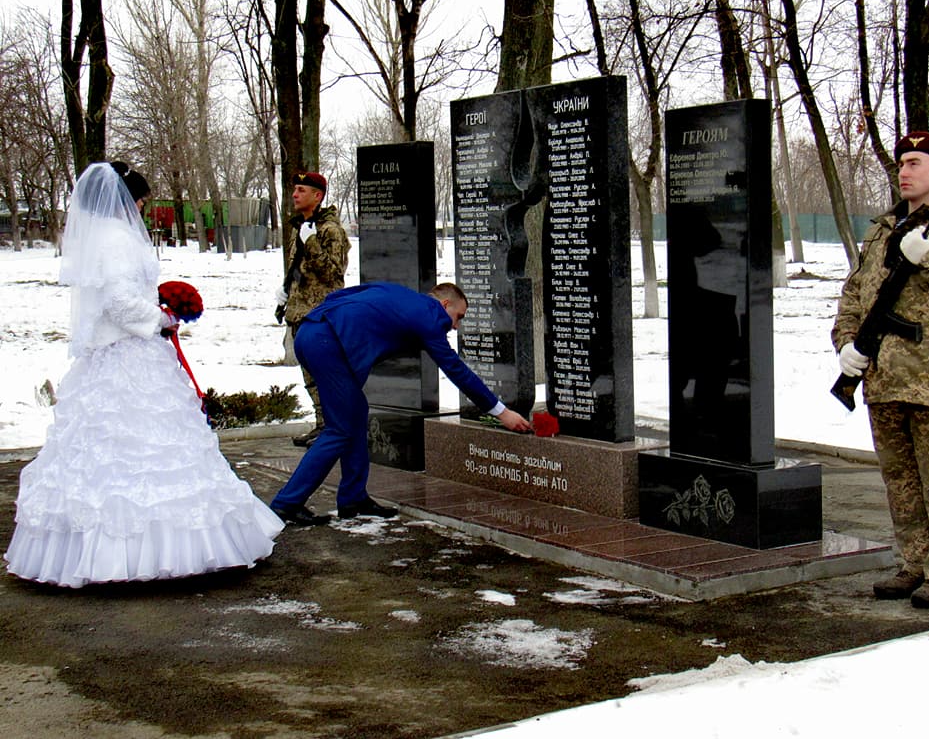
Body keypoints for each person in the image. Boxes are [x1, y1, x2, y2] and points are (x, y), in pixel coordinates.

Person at [3, 162, 283, 588]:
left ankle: (101, 554)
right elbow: (119, 302)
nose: (141, 207)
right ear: (125, 199)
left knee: (104, 455)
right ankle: (156, 552)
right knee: (144, 448)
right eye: (140, 200)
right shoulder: (117, 240)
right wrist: (162, 318)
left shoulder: (100, 238)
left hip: (111, 354)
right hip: (129, 355)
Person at [269, 281, 534, 525]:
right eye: (458, 317)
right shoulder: (430, 316)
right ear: (445, 305)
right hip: (325, 342)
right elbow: (457, 371)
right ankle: (287, 504)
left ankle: (353, 498)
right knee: (340, 429)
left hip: (313, 332)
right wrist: (502, 412)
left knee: (355, 413)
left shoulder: (402, 295)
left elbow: (344, 295)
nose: (456, 326)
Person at [832, 131, 929, 609]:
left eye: (914, 163)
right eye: (901, 163)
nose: (903, 171)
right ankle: (914, 563)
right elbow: (854, 293)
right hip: (883, 379)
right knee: (901, 483)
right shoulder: (883, 229)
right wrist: (846, 344)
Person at [276, 172, 350, 449]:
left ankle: (332, 427)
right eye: (295, 189)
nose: (295, 195)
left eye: (302, 190)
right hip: (300, 312)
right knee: (310, 378)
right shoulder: (301, 226)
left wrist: (312, 242)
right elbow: (299, 268)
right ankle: (322, 425)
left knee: (323, 376)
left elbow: (333, 274)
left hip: (320, 315)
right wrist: (285, 291)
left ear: (317, 196)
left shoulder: (330, 231)